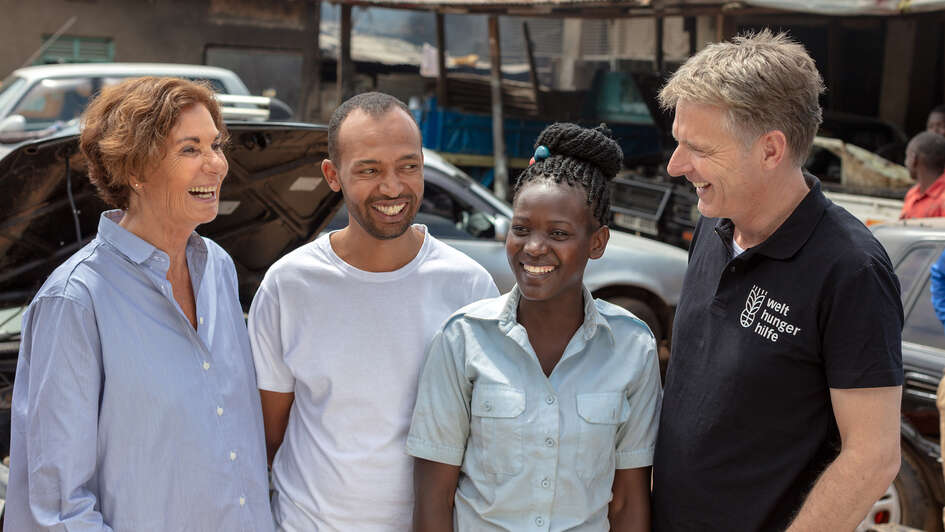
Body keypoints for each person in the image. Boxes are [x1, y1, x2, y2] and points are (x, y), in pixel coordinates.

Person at [651, 30, 904, 532]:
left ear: (770, 150)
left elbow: (873, 456)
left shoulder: (851, 269)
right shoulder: (711, 223)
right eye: (677, 141)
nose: (676, 165)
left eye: (697, 147)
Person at [5, 77, 274, 531]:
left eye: (216, 145)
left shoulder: (219, 269)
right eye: (190, 149)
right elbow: (58, 507)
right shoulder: (75, 300)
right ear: (134, 169)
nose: (216, 165)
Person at [248, 91, 498, 531]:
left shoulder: (469, 285)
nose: (392, 187)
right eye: (369, 170)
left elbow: (483, 435)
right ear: (332, 175)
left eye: (408, 166)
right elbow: (266, 436)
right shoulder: (289, 284)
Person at [408, 123, 662, 532]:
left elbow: (629, 501)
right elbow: (433, 501)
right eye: (521, 229)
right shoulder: (463, 339)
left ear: (597, 242)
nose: (534, 247)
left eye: (558, 233)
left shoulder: (633, 348)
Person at [900, 131, 945, 219]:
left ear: (914, 159)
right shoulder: (913, 193)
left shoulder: (942, 199)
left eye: (907, 156)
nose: (905, 163)